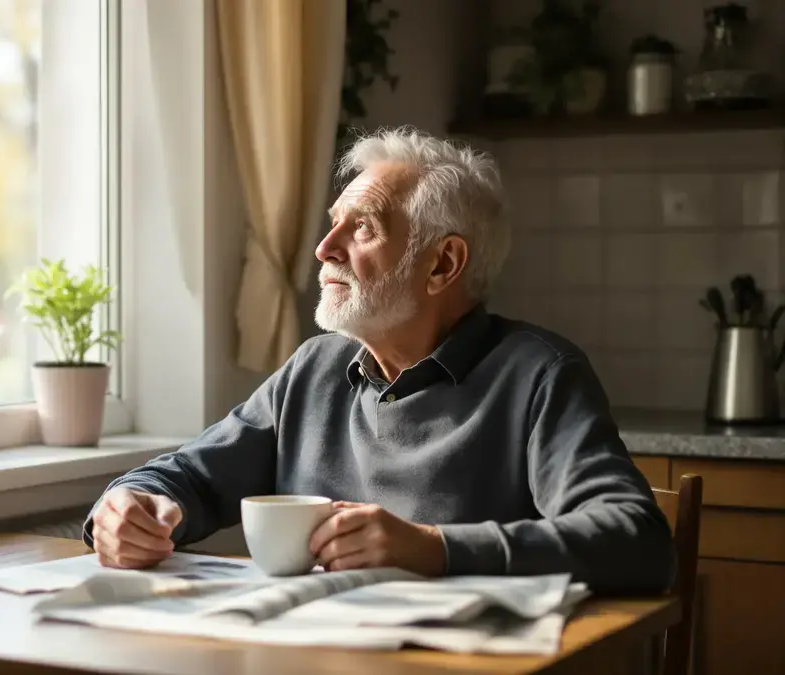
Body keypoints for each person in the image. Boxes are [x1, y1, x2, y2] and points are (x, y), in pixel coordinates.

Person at [83, 127, 675, 594]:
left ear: (443, 264)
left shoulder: (539, 374)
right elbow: (185, 478)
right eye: (331, 223)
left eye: (360, 228)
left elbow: (637, 540)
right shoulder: (314, 369)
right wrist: (128, 508)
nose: (323, 248)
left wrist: (434, 548)